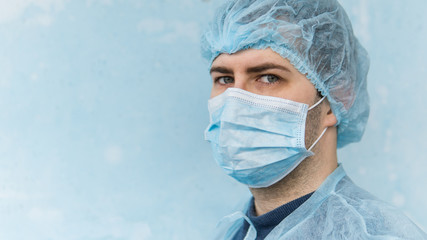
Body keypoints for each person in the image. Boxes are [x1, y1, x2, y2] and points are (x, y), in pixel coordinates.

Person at [201, 0, 427, 239]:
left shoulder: (377, 234)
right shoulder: (235, 230)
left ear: (339, 95)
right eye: (224, 79)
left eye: (268, 77)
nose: (236, 102)